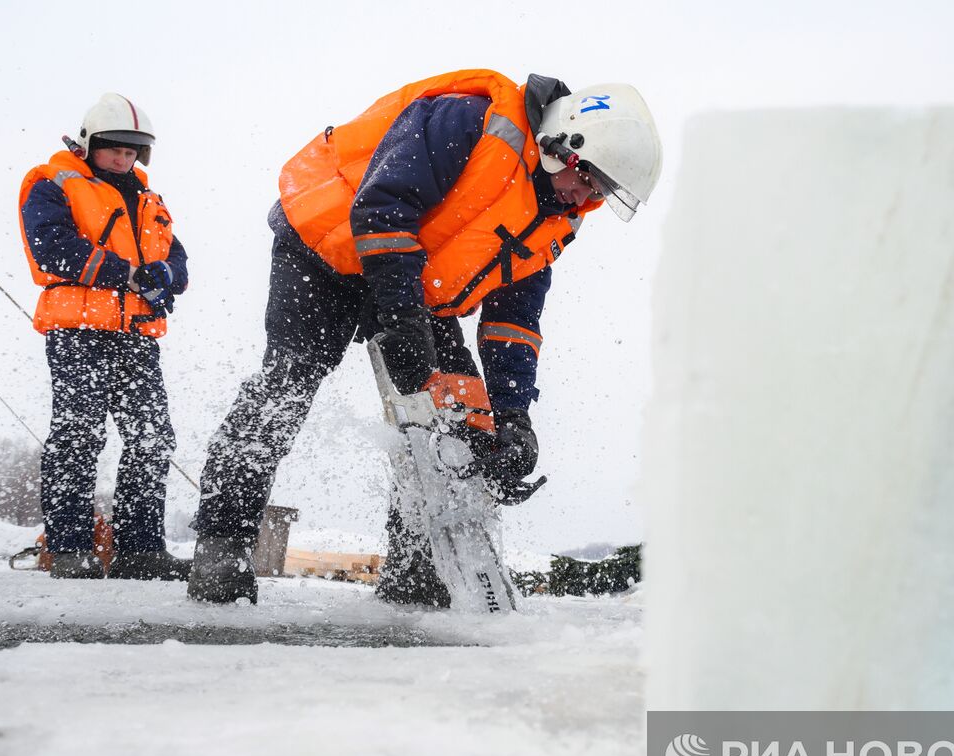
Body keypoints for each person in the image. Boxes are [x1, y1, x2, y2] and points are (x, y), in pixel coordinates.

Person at [186, 69, 662, 605]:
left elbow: (514, 322)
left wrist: (512, 416)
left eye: (600, 190)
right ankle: (221, 546)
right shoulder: (468, 122)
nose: (585, 196)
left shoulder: (559, 215)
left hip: (413, 283)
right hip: (326, 247)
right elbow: (383, 206)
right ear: (565, 144)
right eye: (587, 178)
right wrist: (402, 321)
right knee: (287, 386)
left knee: (463, 420)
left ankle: (417, 569)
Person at [18, 93, 192, 581]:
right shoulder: (53, 182)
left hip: (136, 337)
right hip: (78, 333)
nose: (123, 157)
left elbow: (177, 259)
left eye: (132, 150)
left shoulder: (149, 199)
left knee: (153, 438)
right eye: (114, 148)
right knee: (78, 435)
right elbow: (53, 249)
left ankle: (140, 550)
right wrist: (132, 274)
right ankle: (69, 548)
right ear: (90, 142)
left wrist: (164, 277)